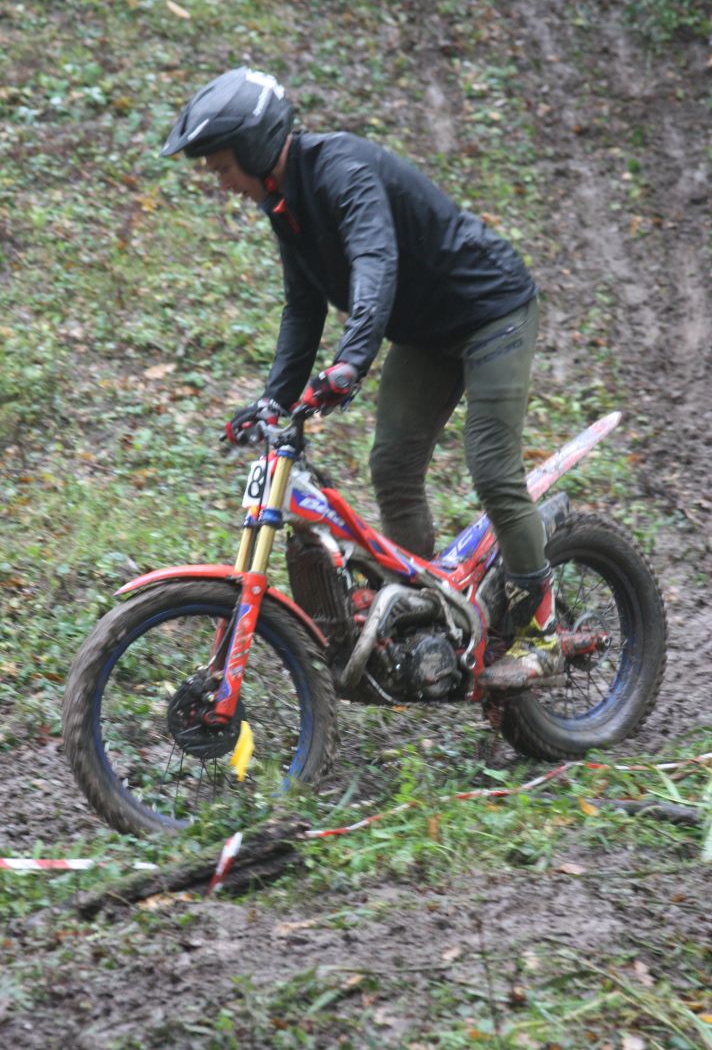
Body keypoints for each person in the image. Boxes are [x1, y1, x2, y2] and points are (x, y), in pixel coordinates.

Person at [161, 67, 561, 690]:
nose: (223, 183)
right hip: (427, 332)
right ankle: (429, 624)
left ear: (257, 148)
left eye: (224, 168)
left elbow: (376, 261)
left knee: (492, 470)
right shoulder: (284, 204)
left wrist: (351, 361)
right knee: (393, 467)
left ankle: (544, 632)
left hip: (492, 312)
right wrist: (273, 401)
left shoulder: (342, 170)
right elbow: (303, 308)